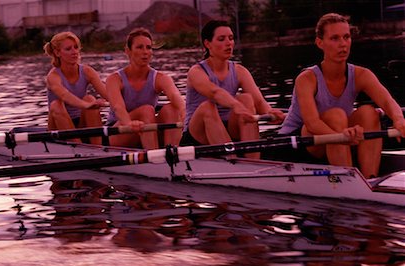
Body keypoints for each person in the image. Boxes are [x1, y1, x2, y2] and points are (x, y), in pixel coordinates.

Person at [279, 13, 405, 178]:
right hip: (299, 144)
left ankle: (369, 179)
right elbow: (312, 123)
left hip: (338, 136)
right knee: (336, 115)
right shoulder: (306, 79)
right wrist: (342, 136)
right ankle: (350, 181)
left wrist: (398, 119)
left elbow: (387, 101)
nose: (343, 44)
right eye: (335, 38)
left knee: (368, 112)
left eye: (346, 37)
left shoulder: (361, 74)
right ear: (320, 43)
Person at [180, 20, 284, 159]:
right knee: (208, 107)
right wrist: (235, 105)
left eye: (231, 38)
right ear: (207, 44)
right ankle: (232, 163)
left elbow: (259, 101)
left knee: (246, 98)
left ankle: (253, 161)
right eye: (221, 39)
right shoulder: (196, 71)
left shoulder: (240, 71)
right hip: (198, 134)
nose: (228, 43)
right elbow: (215, 93)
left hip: (229, 130)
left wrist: (270, 112)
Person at [105, 28, 185, 149]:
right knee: (146, 110)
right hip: (119, 131)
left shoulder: (161, 78)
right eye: (140, 47)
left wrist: (184, 112)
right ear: (128, 51)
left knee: (172, 109)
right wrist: (129, 123)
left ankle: (172, 152)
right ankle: (154, 157)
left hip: (146, 128)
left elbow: (175, 97)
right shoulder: (114, 79)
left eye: (148, 47)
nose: (145, 52)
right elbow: (118, 107)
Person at [44, 31, 108, 145]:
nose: (74, 52)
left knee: (89, 98)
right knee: (56, 104)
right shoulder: (53, 76)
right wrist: (86, 105)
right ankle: (78, 146)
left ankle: (98, 147)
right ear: (58, 53)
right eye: (68, 49)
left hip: (81, 123)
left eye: (76, 47)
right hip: (58, 124)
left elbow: (107, 94)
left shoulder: (87, 71)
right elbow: (64, 95)